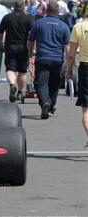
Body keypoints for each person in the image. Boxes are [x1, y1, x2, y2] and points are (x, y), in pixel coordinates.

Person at [27, 1, 70, 119]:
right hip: (57, 59)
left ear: (46, 11)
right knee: (54, 84)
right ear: (58, 12)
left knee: (41, 83)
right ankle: (51, 107)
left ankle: (45, 103)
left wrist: (30, 52)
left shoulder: (38, 23)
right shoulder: (64, 26)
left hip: (42, 58)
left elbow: (30, 41)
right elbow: (67, 47)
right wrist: (68, 63)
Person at [0, 0, 33, 102]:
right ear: (24, 6)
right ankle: (20, 92)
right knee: (22, 71)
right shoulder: (28, 18)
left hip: (10, 46)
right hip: (23, 47)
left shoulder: (7, 17)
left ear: (14, 7)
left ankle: (12, 85)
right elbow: (32, 35)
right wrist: (32, 49)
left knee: (10, 69)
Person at [66, 2, 88, 145]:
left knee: (86, 111)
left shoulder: (78, 27)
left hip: (86, 68)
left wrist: (68, 70)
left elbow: (71, 55)